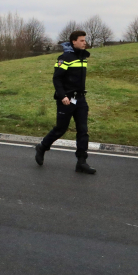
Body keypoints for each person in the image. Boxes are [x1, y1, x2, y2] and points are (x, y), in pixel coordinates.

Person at [34, 30, 96, 174]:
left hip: (80, 99)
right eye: (81, 40)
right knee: (60, 129)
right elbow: (57, 78)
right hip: (66, 100)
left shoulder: (83, 58)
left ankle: (81, 162)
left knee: (83, 130)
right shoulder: (65, 58)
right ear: (74, 41)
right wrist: (63, 96)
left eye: (84, 40)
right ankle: (42, 147)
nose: (84, 43)